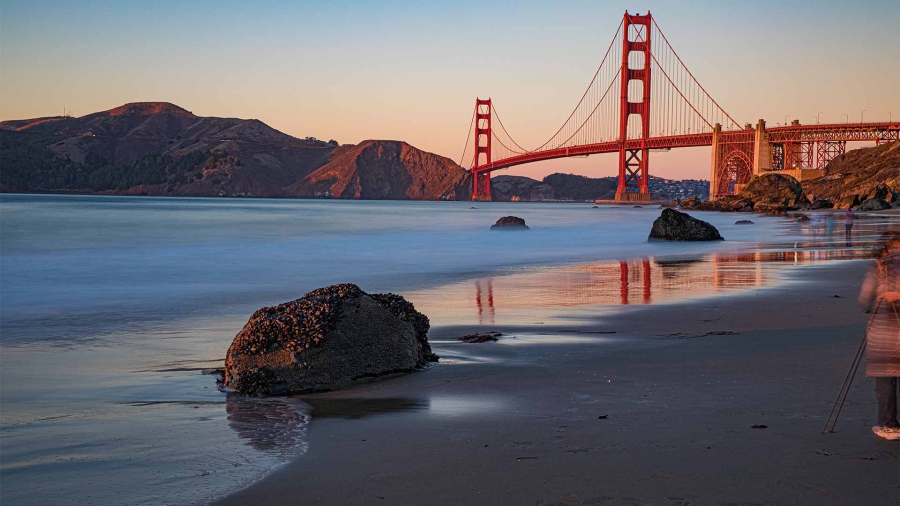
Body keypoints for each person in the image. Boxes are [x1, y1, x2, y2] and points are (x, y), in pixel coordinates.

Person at [859, 232, 900, 440]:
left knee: (886, 380)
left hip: (885, 332)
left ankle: (889, 426)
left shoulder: (879, 266)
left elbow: (865, 299)